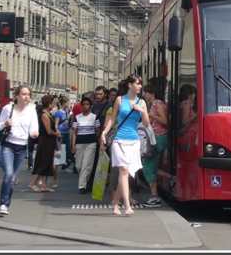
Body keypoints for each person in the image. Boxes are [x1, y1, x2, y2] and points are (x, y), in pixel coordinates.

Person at [100, 75, 150, 216]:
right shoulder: (120, 100)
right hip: (119, 140)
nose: (140, 86)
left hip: (134, 141)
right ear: (130, 85)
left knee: (127, 174)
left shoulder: (142, 102)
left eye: (141, 84)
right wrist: (104, 132)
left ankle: (116, 203)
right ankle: (127, 205)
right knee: (123, 170)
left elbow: (147, 124)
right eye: (138, 84)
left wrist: (142, 111)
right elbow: (113, 118)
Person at [0, 85, 39, 215]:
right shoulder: (8, 109)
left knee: (13, 178)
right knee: (8, 174)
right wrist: (5, 124)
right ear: (17, 96)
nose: (26, 97)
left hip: (22, 147)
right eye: (23, 94)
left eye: (28, 94)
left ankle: (6, 204)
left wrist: (34, 133)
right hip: (8, 145)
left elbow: (34, 127)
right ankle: (3, 204)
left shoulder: (31, 111)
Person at [141, 84, 170, 208]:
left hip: (158, 137)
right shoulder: (152, 104)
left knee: (148, 165)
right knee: (150, 165)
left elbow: (164, 120)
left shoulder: (158, 103)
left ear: (151, 92)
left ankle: (155, 197)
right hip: (155, 138)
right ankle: (171, 179)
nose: (144, 95)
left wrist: (149, 116)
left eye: (146, 92)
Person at [28, 95, 60, 193]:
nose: (54, 105)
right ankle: (33, 182)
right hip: (45, 141)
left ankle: (44, 186)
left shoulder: (48, 113)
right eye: (52, 103)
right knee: (45, 163)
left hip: (49, 141)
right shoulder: (44, 115)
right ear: (48, 104)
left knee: (48, 162)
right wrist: (56, 134)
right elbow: (49, 131)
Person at [72, 95, 100, 194]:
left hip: (91, 142)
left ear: (90, 106)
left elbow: (97, 131)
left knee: (87, 164)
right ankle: (84, 181)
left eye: (87, 104)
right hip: (80, 142)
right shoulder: (77, 117)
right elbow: (74, 132)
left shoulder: (94, 117)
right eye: (83, 104)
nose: (85, 106)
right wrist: (73, 145)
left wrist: (100, 144)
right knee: (79, 166)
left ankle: (82, 186)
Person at [55, 96, 75, 172]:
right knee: (58, 149)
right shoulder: (58, 112)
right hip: (61, 132)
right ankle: (55, 165)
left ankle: (65, 165)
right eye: (67, 103)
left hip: (67, 132)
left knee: (67, 149)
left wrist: (70, 127)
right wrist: (57, 131)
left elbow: (70, 120)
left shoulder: (67, 111)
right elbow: (56, 124)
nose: (68, 104)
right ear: (63, 103)